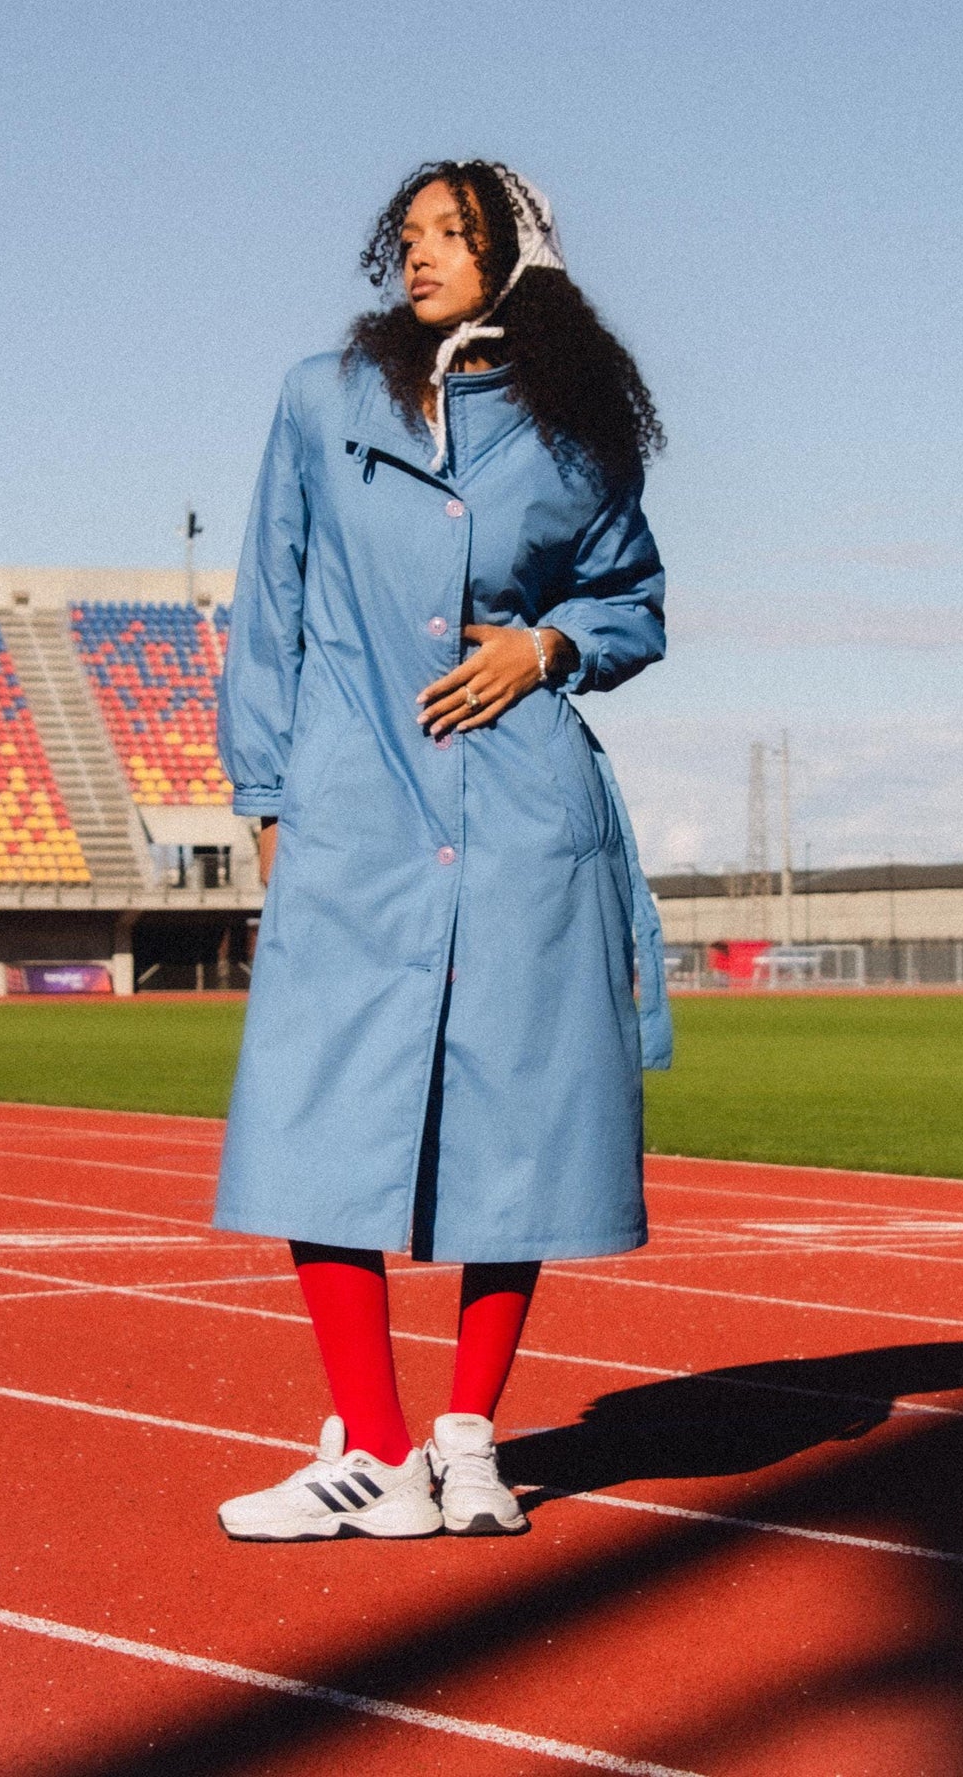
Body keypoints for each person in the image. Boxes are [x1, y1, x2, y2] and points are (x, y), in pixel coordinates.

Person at [213, 160, 670, 1542]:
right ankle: (378, 1448)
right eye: (404, 236)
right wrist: (268, 794)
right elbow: (269, 595)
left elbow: (632, 602)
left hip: (528, 811)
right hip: (357, 801)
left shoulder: (580, 430)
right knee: (317, 1113)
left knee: (517, 1127)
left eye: (449, 236)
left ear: (515, 254)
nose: (417, 257)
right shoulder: (320, 397)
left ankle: (470, 1442)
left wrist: (549, 646)